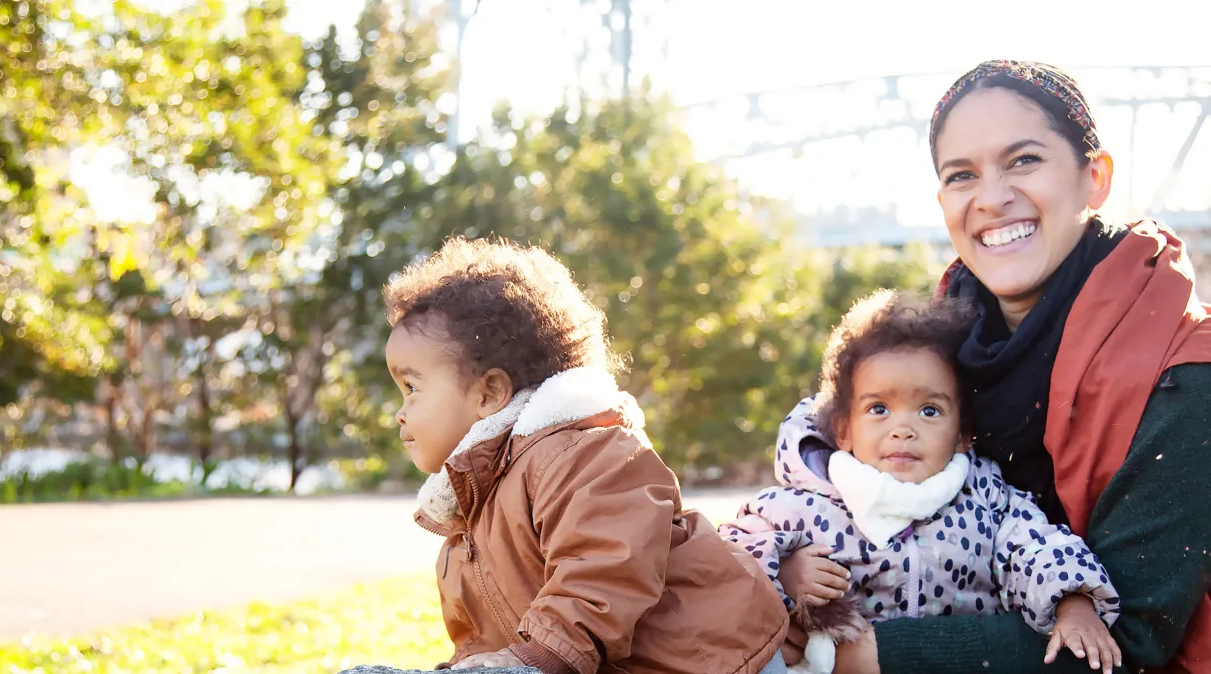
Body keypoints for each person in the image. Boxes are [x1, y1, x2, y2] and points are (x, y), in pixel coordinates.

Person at [774, 60, 1211, 674]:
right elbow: (814, 471)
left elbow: (1131, 635)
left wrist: (865, 653)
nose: (992, 198)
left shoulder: (1188, 371)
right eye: (962, 175)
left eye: (1025, 160)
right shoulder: (932, 358)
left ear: (1096, 177)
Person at [382, 236, 789, 674]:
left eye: (412, 388)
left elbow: (604, 570)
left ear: (491, 392)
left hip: (714, 665)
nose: (401, 414)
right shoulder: (468, 519)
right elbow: (486, 645)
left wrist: (541, 657)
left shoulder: (582, 454)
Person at [721, 289, 1120, 674]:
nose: (903, 428)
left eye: (929, 410)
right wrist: (785, 570)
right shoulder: (808, 501)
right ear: (843, 430)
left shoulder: (986, 499)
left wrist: (1073, 604)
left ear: (963, 434)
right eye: (879, 408)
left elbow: (1037, 546)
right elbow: (731, 554)